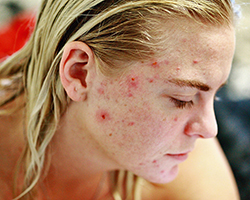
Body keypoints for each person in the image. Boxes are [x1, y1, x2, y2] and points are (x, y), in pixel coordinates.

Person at [0, 0, 240, 199]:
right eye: (181, 99)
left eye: (215, 93)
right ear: (79, 73)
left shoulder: (188, 167)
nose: (210, 129)